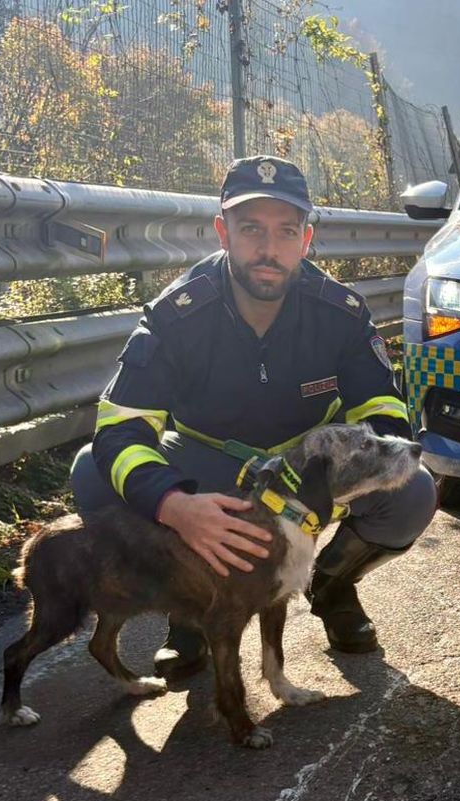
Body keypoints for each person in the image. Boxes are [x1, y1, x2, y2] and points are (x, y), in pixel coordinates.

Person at [70, 155, 438, 676]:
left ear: (306, 240)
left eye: (286, 232)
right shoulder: (177, 316)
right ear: (222, 231)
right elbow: (119, 428)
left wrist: (327, 491)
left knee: (414, 488)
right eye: (251, 230)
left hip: (311, 478)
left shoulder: (341, 314)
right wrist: (173, 505)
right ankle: (190, 605)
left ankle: (330, 585)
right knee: (92, 472)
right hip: (211, 470)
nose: (269, 250)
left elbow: (385, 413)